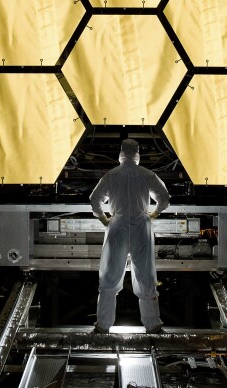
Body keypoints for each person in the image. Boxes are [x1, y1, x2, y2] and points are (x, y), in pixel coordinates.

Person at [89, 139, 170, 334]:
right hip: (141, 225)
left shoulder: (111, 175)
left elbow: (94, 200)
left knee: (110, 275)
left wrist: (104, 218)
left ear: (121, 154)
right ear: (137, 154)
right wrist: (154, 214)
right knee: (145, 274)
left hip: (117, 225)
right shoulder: (146, 174)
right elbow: (164, 197)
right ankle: (153, 325)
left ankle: (103, 325)